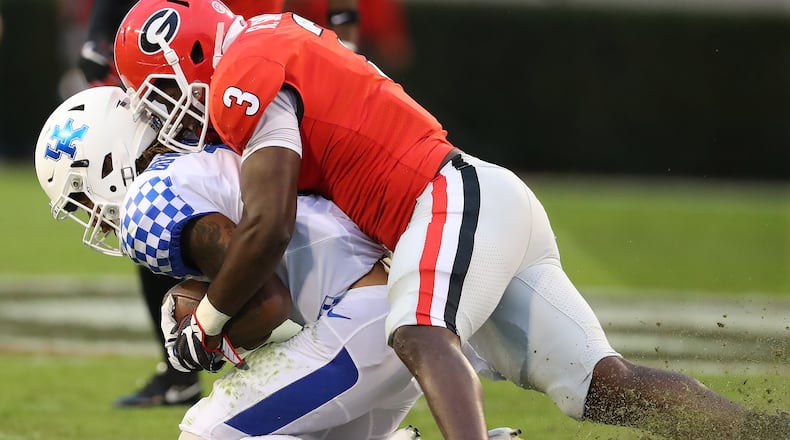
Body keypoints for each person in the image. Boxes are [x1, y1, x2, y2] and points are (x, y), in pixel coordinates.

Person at [112, 2, 789, 439]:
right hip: (479, 200)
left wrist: (205, 324)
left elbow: (268, 228)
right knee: (604, 387)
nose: (173, 113)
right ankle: (765, 431)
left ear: (190, 55)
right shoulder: (269, 37)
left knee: (416, 330)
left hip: (446, 197)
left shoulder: (244, 73)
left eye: (164, 91)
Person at [33, 85, 524, 440]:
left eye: (81, 199)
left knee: (208, 434)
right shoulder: (206, 157)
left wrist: (200, 335)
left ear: (103, 162)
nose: (92, 217)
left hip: (363, 323)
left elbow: (268, 302)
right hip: (386, 309)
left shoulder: (149, 200)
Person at [75, 0, 360, 408]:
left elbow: (271, 224)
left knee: (193, 207)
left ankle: (311, 338)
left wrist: (207, 323)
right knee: (193, 205)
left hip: (227, 58)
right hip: (200, 50)